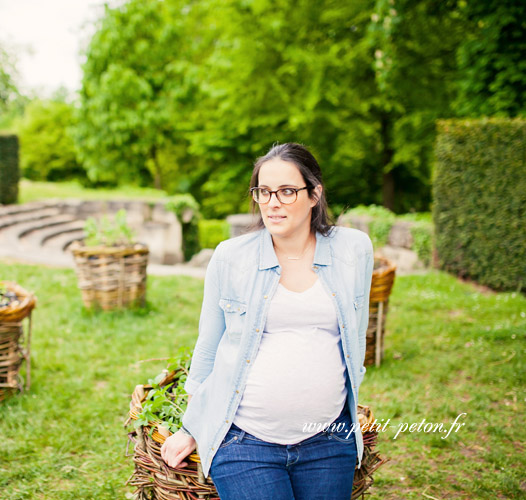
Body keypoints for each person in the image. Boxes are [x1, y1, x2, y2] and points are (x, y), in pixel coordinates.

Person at [160, 142, 374, 500]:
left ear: (314, 194)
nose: (273, 202)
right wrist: (192, 426)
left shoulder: (354, 250)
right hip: (245, 441)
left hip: (329, 440)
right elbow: (209, 349)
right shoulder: (230, 258)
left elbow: (356, 335)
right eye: (263, 191)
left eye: (287, 191)